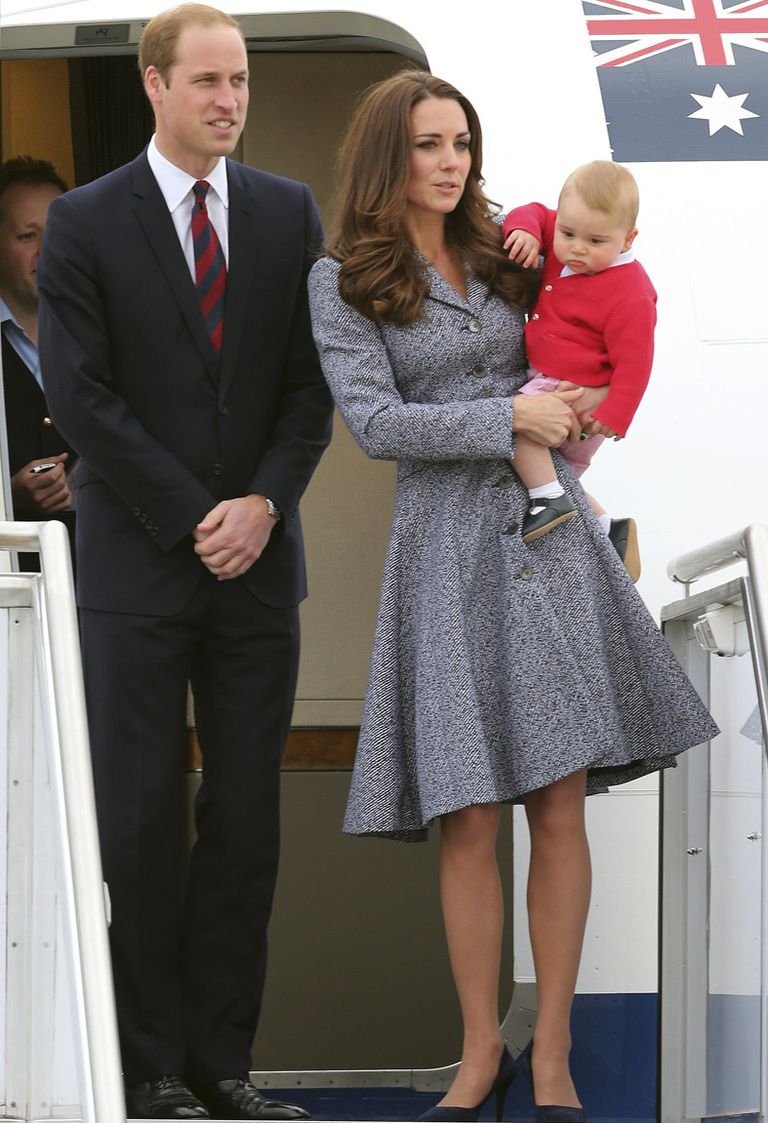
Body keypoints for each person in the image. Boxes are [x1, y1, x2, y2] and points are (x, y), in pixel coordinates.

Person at [307, 70, 718, 1123]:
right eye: (429, 145)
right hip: (444, 549)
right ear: (386, 159)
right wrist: (512, 418)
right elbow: (379, 426)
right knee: (471, 813)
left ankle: (553, 1055)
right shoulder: (344, 278)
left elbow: (607, 305)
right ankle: (478, 1051)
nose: (449, 162)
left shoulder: (512, 248)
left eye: (461, 144)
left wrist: (578, 413)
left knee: (561, 799)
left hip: (548, 539)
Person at [37, 5, 333, 1119]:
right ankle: (148, 1067)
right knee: (142, 820)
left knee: (246, 822)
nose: (229, 100)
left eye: (241, 81)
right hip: (139, 574)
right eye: (207, 80)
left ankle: (225, 1066)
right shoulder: (83, 220)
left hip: (257, 572)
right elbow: (81, 397)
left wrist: (261, 504)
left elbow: (313, 388)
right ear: (154, 85)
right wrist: (199, 512)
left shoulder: (285, 212)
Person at [501, 162, 655, 573]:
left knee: (517, 422)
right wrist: (525, 231)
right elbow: (532, 211)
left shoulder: (630, 293)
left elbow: (636, 363)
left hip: (573, 390)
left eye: (595, 240)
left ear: (628, 238)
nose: (575, 248)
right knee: (563, 469)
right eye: (567, 234)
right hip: (553, 382)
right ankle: (609, 529)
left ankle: (549, 499)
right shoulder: (563, 229)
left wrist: (616, 413)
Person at [0, 156, 77, 570]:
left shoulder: (103, 334)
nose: (46, 251)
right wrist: (9, 494)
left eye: (57, 234)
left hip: (103, 585)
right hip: (10, 593)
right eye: (28, 235)